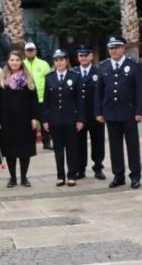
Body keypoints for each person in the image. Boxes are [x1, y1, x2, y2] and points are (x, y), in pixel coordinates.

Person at [96, 36, 142, 189]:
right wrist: (98, 112)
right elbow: (99, 92)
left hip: (129, 113)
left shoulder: (133, 65)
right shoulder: (103, 67)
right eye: (111, 48)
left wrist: (140, 111)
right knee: (114, 146)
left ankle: (135, 176)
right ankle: (119, 176)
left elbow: (140, 91)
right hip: (110, 113)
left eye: (117, 47)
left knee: (132, 146)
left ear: (123, 48)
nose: (114, 51)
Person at [0, 51, 40, 188]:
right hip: (7, 120)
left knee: (25, 150)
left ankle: (24, 178)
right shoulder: (1, 78)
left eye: (17, 60)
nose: (14, 62)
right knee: (10, 151)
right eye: (12, 60)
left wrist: (35, 118)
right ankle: (12, 178)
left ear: (21, 61)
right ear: (8, 61)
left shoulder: (28, 78)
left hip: (25, 120)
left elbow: (35, 101)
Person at [43, 49, 84, 187]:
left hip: (71, 119)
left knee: (72, 149)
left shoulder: (75, 76)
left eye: (61, 60)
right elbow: (46, 101)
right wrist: (45, 120)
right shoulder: (49, 77)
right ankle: (60, 176)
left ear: (66, 61)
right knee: (58, 150)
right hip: (55, 120)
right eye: (56, 60)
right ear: (54, 62)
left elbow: (80, 101)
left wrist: (80, 119)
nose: (59, 63)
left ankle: (72, 175)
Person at [75, 45, 105, 180]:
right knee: (79, 144)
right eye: (81, 56)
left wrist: (102, 112)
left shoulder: (99, 72)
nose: (83, 58)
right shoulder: (74, 73)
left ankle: (98, 167)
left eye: (86, 55)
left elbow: (103, 94)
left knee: (97, 143)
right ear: (78, 58)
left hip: (96, 115)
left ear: (91, 57)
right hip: (79, 116)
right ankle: (80, 169)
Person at [23, 42, 52, 150]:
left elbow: (49, 80)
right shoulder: (21, 64)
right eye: (28, 50)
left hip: (42, 97)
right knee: (29, 122)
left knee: (45, 120)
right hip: (27, 99)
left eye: (32, 50)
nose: (30, 52)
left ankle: (47, 142)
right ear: (25, 52)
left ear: (35, 51)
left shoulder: (43, 64)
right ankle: (29, 143)